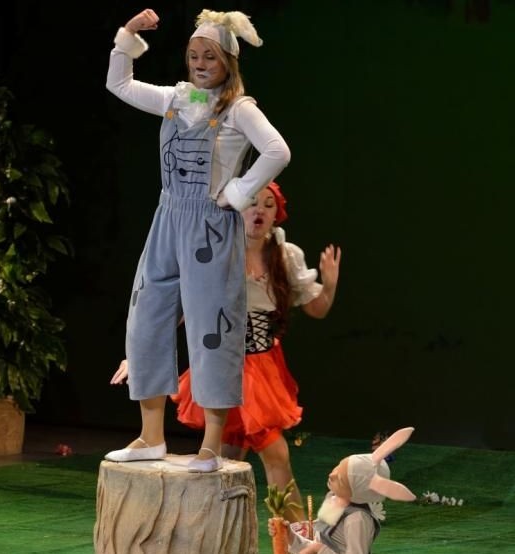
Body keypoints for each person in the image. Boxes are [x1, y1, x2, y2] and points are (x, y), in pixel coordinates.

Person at [103, 8, 291, 473]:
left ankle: (210, 445)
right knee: (145, 319)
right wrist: (128, 35)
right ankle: (150, 436)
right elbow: (119, 84)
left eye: (209, 56)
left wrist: (239, 192)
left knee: (211, 330)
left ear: (228, 61)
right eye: (193, 55)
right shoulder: (177, 98)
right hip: (167, 219)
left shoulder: (239, 109)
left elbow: (277, 150)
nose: (200, 64)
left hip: (210, 226)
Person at [113, 182, 341, 521]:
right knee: (231, 456)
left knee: (259, 455)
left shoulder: (285, 255)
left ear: (276, 215)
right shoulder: (218, 249)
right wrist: (139, 355)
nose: (259, 210)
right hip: (222, 360)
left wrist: (330, 284)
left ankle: (295, 538)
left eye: (268, 205)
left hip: (263, 369)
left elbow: (316, 308)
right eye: (252, 203)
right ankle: (207, 530)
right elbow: (177, 310)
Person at [270, 427, 417, 554]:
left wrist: (318, 549)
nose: (331, 475)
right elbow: (315, 543)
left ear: (356, 491)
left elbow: (320, 548)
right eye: (338, 467)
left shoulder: (357, 519)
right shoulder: (334, 500)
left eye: (341, 479)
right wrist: (288, 535)